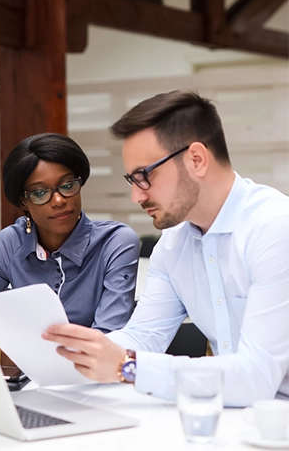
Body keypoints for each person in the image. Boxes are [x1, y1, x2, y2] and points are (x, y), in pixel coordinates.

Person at [43, 91, 289, 407]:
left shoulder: (274, 228)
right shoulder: (173, 244)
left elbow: (255, 378)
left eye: (144, 176)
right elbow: (142, 338)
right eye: (131, 180)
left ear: (196, 159)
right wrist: (73, 352)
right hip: (236, 416)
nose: (137, 196)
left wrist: (127, 367)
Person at [0, 133, 139, 333]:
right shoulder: (10, 243)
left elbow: (109, 335)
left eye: (68, 186)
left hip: (95, 363)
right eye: (40, 193)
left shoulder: (114, 243)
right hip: (25, 363)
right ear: (23, 202)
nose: (59, 200)